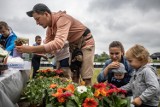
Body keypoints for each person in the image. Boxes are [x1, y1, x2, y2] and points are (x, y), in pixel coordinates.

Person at [16, 3, 95, 85]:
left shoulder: (62, 19)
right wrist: (26, 50)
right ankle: (76, 96)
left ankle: (89, 97)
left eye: (38, 19)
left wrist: (31, 49)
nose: (37, 23)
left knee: (86, 77)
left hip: (85, 42)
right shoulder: (50, 29)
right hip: (73, 46)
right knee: (74, 76)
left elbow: (58, 43)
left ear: (46, 14)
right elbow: (47, 47)